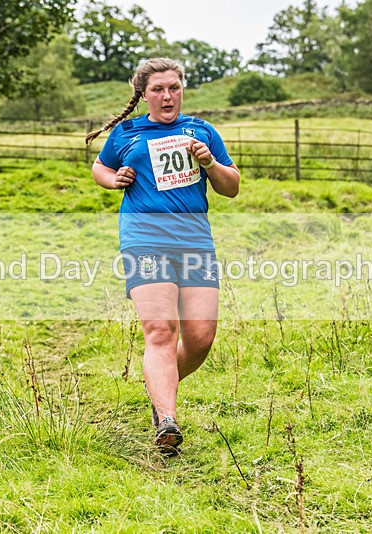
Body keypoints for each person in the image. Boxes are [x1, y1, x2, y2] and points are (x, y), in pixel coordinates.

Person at [86, 58, 240, 454]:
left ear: (182, 89)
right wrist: (113, 179)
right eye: (158, 89)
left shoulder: (202, 131)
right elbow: (100, 167)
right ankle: (167, 419)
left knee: (201, 338)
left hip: (195, 243)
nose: (167, 96)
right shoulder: (127, 133)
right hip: (145, 239)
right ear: (144, 94)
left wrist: (209, 162)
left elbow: (232, 186)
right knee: (160, 330)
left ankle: (160, 386)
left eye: (174, 88)